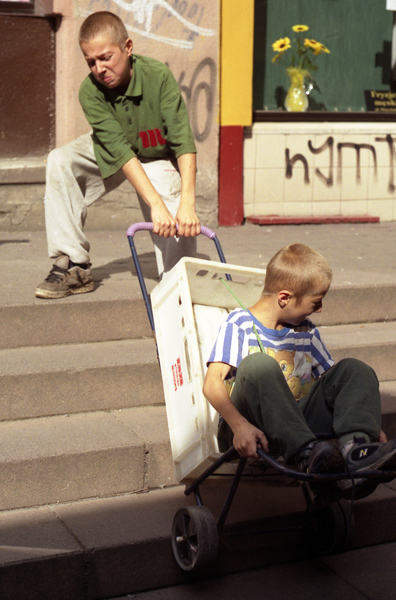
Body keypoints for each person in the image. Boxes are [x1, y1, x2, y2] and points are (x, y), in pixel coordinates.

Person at [203, 243, 396, 505]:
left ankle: (356, 452)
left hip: (298, 424)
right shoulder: (239, 324)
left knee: (354, 370)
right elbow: (211, 384)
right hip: (249, 426)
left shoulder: (306, 331)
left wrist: (365, 422)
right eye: (315, 303)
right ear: (284, 298)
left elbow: (336, 383)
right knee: (258, 365)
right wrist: (239, 426)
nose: (319, 309)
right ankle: (310, 459)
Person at [35, 11, 200, 299]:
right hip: (113, 150)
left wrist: (186, 204)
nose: (99, 68)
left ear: (128, 47)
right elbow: (120, 152)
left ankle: (178, 286)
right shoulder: (90, 91)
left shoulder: (157, 76)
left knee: (177, 217)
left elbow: (183, 142)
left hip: (157, 158)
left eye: (106, 57)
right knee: (61, 160)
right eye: (91, 61)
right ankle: (74, 265)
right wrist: (154, 204)